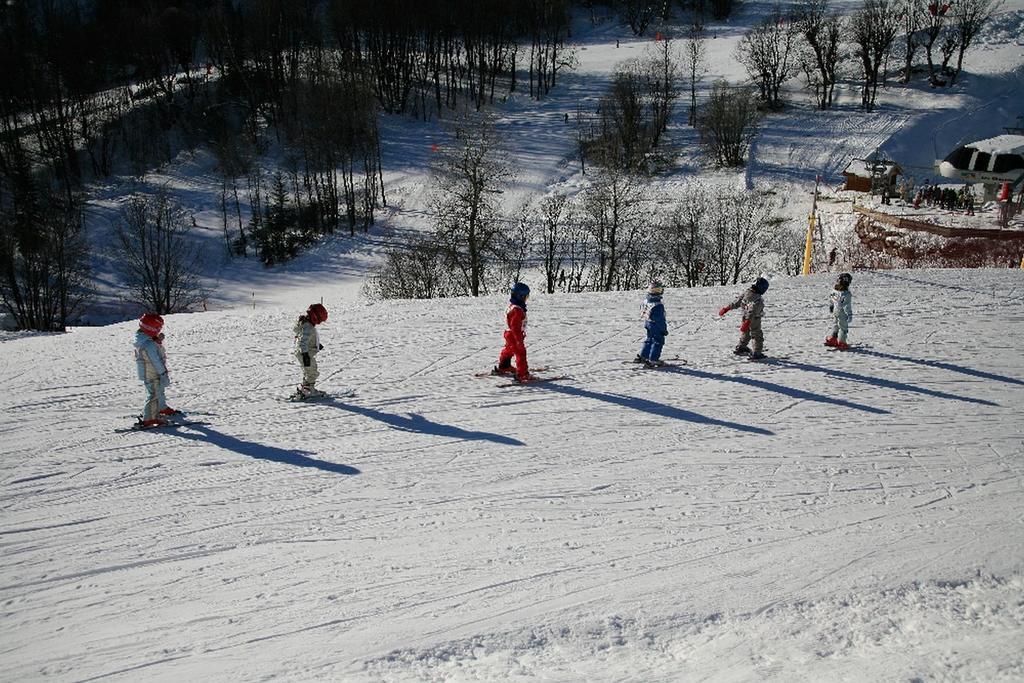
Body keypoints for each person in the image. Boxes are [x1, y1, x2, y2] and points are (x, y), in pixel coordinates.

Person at [718, 277, 769, 360]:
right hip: (753, 319)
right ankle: (757, 352)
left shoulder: (747, 292)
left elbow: (737, 302)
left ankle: (741, 347)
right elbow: (752, 312)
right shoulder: (758, 300)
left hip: (745, 317)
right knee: (757, 335)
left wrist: (726, 308)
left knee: (746, 333)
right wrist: (747, 322)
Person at [134, 313, 170, 427]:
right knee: (153, 394)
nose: (160, 330)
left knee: (156, 392)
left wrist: (156, 340)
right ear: (151, 328)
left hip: (148, 371)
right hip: (152, 372)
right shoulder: (149, 344)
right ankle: (149, 419)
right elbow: (156, 361)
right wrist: (163, 373)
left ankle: (157, 411)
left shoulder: (142, 338)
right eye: (158, 328)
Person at [494, 282, 532, 382]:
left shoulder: (512, 306)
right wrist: (519, 340)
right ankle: (522, 374)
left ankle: (504, 365)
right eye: (526, 297)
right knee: (520, 353)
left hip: (509, 334)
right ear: (521, 296)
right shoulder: (517, 310)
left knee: (509, 350)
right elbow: (515, 327)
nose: (526, 299)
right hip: (514, 335)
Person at [293, 303, 328, 399]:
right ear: (315, 317)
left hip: (303, 352)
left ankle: (305, 388)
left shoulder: (306, 324)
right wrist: (305, 354)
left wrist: (316, 345)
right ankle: (309, 390)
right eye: (320, 320)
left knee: (307, 371)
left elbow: (305, 338)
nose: (319, 323)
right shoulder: (308, 327)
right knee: (312, 372)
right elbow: (303, 340)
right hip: (305, 353)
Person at [635, 281, 668, 367]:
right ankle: (653, 359)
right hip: (656, 326)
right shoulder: (658, 305)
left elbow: (642, 311)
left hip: (648, 324)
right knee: (658, 341)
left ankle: (644, 356)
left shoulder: (646, 301)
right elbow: (660, 319)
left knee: (649, 340)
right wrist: (663, 330)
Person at [825, 272, 854, 350]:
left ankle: (833, 338)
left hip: (835, 310)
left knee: (836, 325)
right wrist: (849, 315)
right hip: (842, 312)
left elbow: (831, 299)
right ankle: (842, 342)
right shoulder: (846, 294)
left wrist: (831, 306)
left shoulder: (834, 291)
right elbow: (847, 306)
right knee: (843, 327)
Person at [154, 332, 181, 416]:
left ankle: (161, 407)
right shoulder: (153, 346)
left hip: (160, 369)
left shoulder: (158, 345)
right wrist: (161, 371)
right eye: (160, 337)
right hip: (157, 371)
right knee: (158, 390)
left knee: (160, 390)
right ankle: (159, 408)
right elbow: (156, 360)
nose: (162, 339)